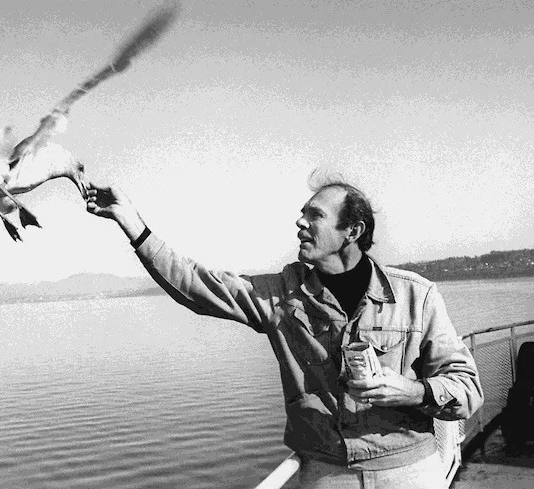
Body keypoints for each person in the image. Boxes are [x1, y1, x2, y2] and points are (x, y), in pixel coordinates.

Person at [84, 173, 483, 489]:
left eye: (315, 215)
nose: (300, 222)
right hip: (327, 474)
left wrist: (412, 391)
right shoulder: (280, 295)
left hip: (409, 472)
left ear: (352, 231)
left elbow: (468, 389)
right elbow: (196, 285)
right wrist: (131, 223)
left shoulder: (416, 295)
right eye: (302, 214)